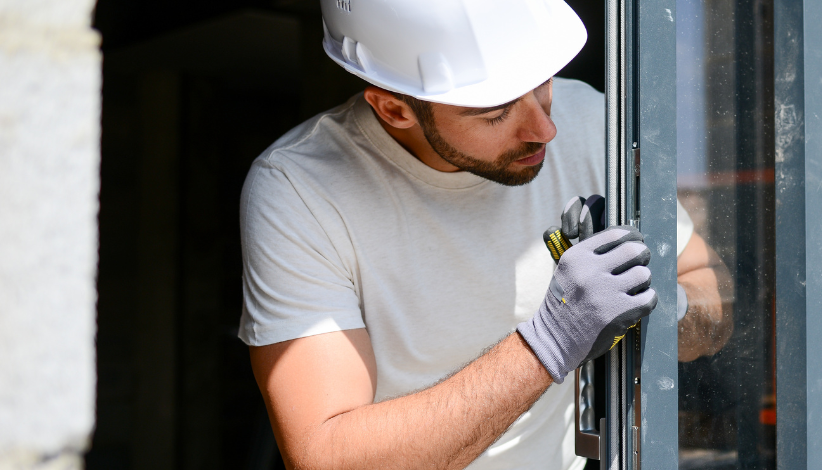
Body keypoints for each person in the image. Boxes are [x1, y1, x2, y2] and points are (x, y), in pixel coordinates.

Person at [237, 0, 733, 468]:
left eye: (542, 84)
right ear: (393, 109)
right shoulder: (301, 189)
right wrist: (551, 341)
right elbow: (325, 454)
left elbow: (713, 290)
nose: (544, 130)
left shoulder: (588, 120)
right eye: (495, 111)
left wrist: (656, 306)